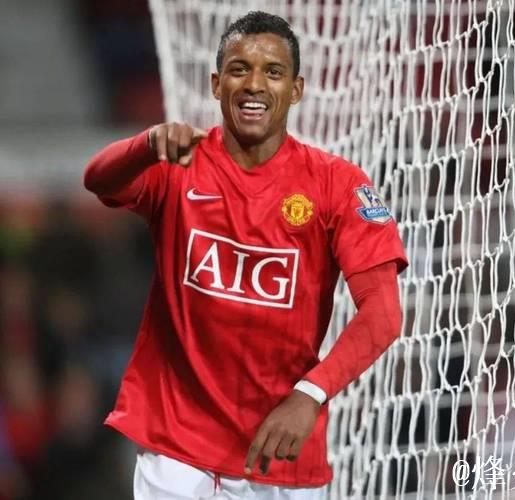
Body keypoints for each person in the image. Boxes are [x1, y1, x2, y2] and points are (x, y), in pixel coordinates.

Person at [83, 10, 407, 500]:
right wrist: (146, 144)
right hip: (178, 446)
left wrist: (311, 394)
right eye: (239, 69)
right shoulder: (179, 163)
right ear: (217, 84)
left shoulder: (337, 184)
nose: (254, 84)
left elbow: (382, 313)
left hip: (278, 447)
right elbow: (99, 180)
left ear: (295, 90)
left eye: (273, 72)